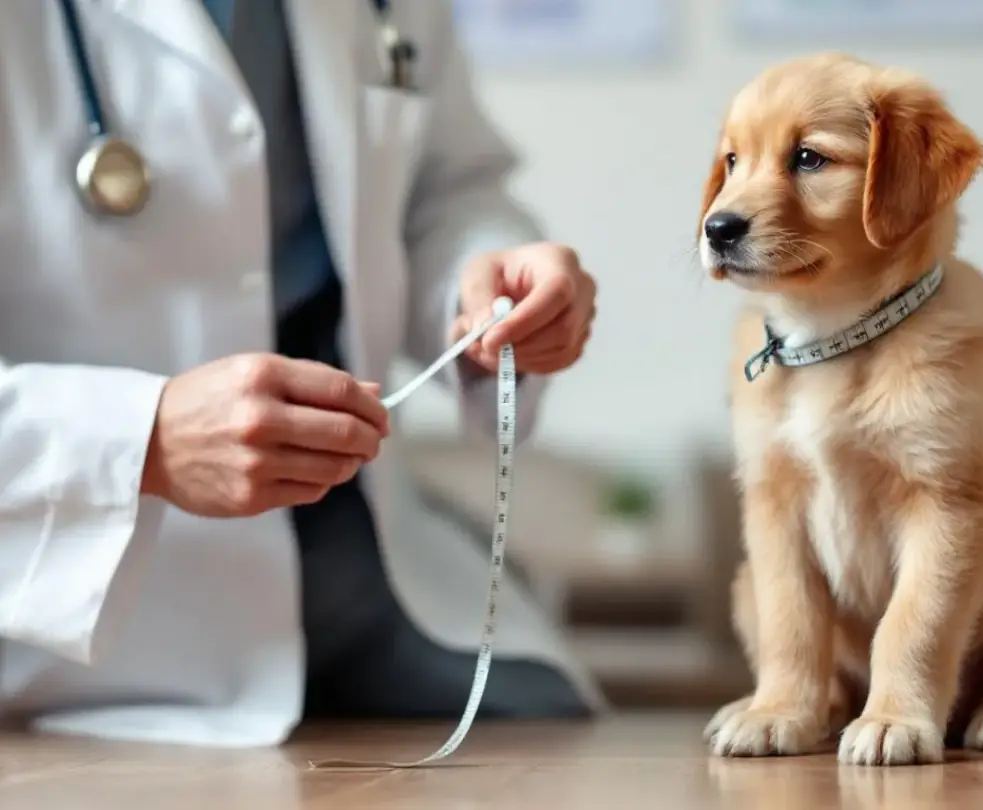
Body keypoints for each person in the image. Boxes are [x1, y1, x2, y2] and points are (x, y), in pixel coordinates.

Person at [0, 0, 604, 747]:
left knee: (553, 744)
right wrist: (139, 442)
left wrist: (486, 281)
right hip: (66, 629)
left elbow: (445, 192)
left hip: (364, 583)